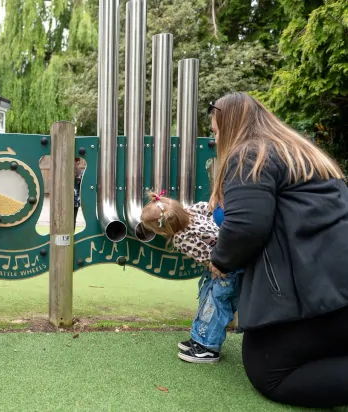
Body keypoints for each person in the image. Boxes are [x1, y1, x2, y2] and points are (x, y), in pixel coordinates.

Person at [208, 92, 348, 408]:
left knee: (269, 370)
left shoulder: (249, 155)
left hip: (324, 293)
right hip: (338, 283)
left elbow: (247, 227)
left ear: (230, 127)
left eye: (216, 132)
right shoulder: (305, 154)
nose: (214, 140)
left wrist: (221, 260)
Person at [141, 192, 241, 363]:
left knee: (215, 305)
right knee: (207, 299)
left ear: (163, 230)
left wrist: (220, 266)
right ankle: (199, 337)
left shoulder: (181, 239)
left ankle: (208, 347)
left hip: (227, 270)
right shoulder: (193, 210)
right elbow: (210, 209)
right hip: (231, 259)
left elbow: (209, 258)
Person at [73, 157, 83, 229]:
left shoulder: (80, 173)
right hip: (75, 200)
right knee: (73, 220)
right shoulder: (80, 173)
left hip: (72, 200)